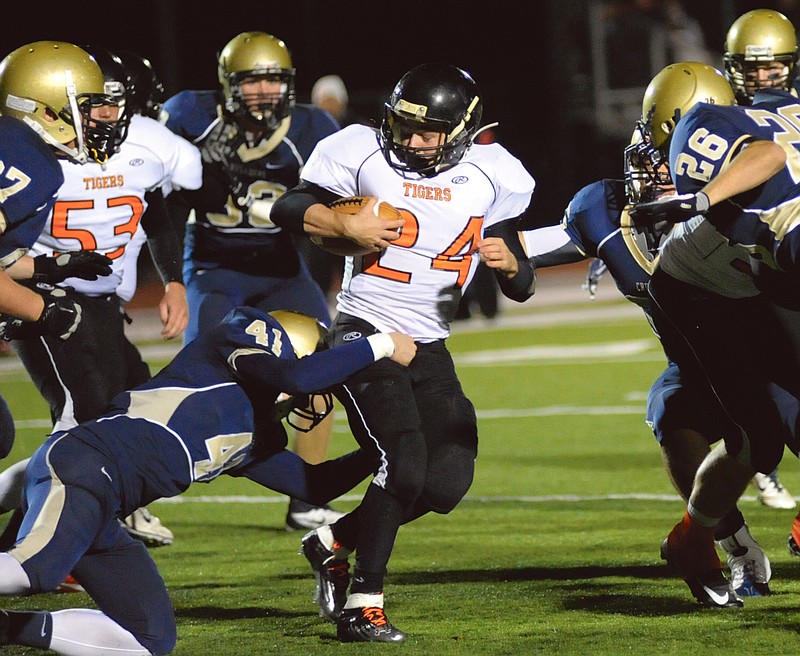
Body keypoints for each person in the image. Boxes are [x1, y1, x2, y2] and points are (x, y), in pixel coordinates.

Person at [270, 62, 536, 642]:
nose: (412, 141)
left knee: (445, 483)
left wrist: (514, 266)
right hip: (364, 333)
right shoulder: (361, 151)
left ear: (462, 130)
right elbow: (288, 207)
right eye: (404, 126)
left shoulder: (495, 173)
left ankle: (331, 542)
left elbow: (521, 282)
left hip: (429, 344)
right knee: (404, 461)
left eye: (428, 131)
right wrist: (344, 229)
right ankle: (364, 602)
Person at [0, 307, 416, 655]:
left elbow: (314, 485)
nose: (309, 400)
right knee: (36, 570)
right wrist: (380, 344)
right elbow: (295, 379)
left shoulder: (257, 433)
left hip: (104, 508)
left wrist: (387, 447)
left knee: (149, 638)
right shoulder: (232, 345)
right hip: (89, 462)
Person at [518, 121, 771, 600]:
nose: (660, 170)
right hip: (699, 366)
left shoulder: (746, 209)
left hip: (774, 360)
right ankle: (728, 545)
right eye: (651, 157)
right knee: (672, 412)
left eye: (671, 158)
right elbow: (525, 249)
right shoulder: (608, 215)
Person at [1, 46, 202, 550]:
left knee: (121, 409)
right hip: (41, 299)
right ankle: (34, 546)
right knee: (80, 417)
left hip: (96, 300)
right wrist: (40, 300)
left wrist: (171, 279)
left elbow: (160, 210)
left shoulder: (146, 146)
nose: (102, 118)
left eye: (109, 104)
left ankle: (55, 534)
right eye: (89, 106)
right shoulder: (35, 161)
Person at [628, 61, 800, 606]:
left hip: (760, 273)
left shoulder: (752, 115)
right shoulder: (701, 122)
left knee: (765, 436)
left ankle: (690, 535)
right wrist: (702, 199)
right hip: (706, 289)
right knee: (758, 439)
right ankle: (697, 536)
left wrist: (700, 198)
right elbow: (767, 155)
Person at [162, 31, 344, 532]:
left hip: (282, 268)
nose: (264, 90)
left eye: (273, 79)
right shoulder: (188, 117)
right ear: (227, 83)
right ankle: (144, 478)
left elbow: (339, 196)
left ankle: (306, 497)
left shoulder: (310, 125)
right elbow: (159, 196)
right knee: (200, 371)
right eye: (252, 80)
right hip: (214, 265)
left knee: (324, 362)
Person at [0, 41, 119, 460]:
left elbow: (3, 263)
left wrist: (50, 266)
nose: (97, 120)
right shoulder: (25, 159)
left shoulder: (20, 148)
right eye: (86, 108)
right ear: (45, 110)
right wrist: (42, 310)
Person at [723, 7, 800, 509]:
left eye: (772, 67)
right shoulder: (725, 115)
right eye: (753, 70)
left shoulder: (724, 117)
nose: (762, 78)